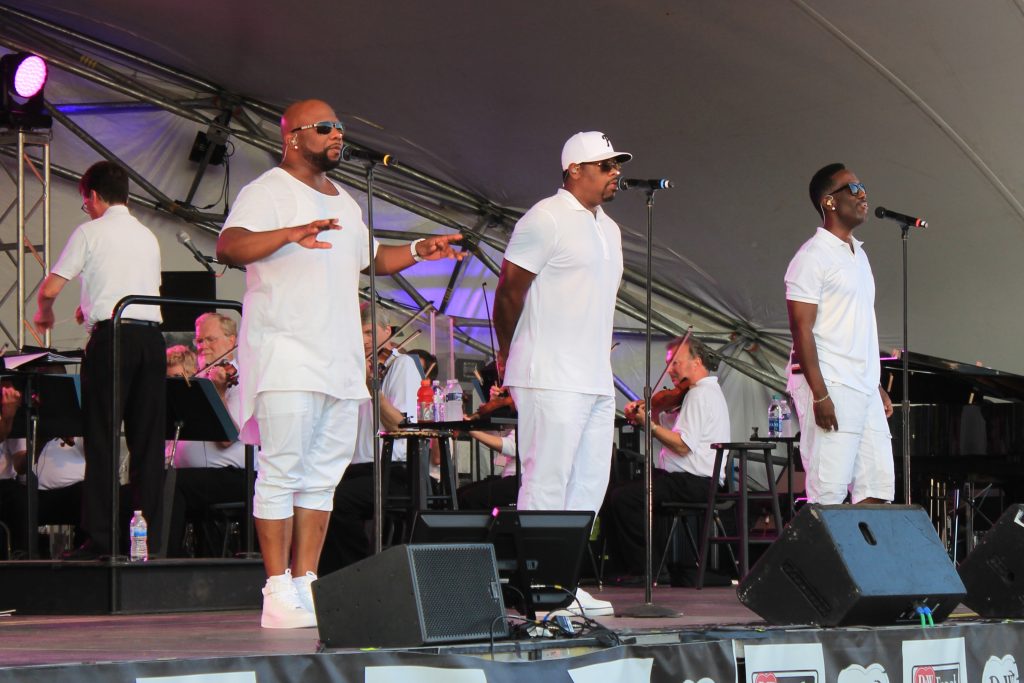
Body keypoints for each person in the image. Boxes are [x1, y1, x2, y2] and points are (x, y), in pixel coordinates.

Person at [215, 99, 462, 629]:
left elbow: (372, 258)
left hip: (340, 360)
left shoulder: (346, 201)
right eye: (324, 128)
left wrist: (422, 248)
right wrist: (288, 233)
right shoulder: (267, 191)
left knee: (323, 478)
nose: (336, 135)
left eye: (339, 128)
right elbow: (229, 246)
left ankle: (307, 582)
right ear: (293, 137)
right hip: (286, 354)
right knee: (281, 472)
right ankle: (276, 588)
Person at [493, 131, 630, 617]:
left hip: (595, 374)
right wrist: (510, 356)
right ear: (575, 169)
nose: (615, 172)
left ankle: (564, 582)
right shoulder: (545, 217)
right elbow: (509, 291)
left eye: (617, 165)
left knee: (589, 483)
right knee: (546, 480)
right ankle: (540, 589)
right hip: (548, 371)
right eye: (605, 165)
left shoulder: (608, 229)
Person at [35, 160, 165, 560]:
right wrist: (90, 306)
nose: (86, 209)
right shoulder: (147, 236)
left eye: (84, 202)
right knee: (147, 443)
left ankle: (103, 541)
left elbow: (51, 287)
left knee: (103, 438)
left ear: (92, 196)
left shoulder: (90, 231)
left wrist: (45, 312)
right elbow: (131, 286)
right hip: (150, 339)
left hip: (114, 340)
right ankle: (150, 542)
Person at [785, 163, 894, 505]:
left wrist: (875, 384)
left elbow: (856, 327)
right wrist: (819, 395)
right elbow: (801, 328)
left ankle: (864, 560)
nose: (864, 194)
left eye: (863, 187)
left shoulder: (859, 255)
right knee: (828, 492)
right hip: (830, 382)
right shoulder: (811, 257)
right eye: (854, 188)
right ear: (829, 202)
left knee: (877, 488)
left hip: (861, 385)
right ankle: (824, 559)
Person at [608, 336, 730, 576]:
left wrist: (650, 426)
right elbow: (672, 434)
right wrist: (646, 417)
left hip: (693, 481)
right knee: (621, 492)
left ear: (696, 362)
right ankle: (637, 569)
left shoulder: (699, 394)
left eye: (675, 363)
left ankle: (646, 571)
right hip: (686, 480)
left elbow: (683, 446)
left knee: (625, 498)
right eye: (669, 364)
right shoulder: (696, 394)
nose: (671, 370)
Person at [319, 304, 422, 575]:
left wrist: (371, 385)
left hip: (392, 470)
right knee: (314, 496)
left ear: (387, 332)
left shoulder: (401, 365)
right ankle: (321, 578)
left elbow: (399, 425)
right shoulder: (352, 367)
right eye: (358, 333)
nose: (363, 340)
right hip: (352, 468)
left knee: (339, 502)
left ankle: (354, 573)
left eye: (368, 332)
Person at [165, 314, 249, 557]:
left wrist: (220, 394)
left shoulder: (242, 381)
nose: (203, 346)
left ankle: (166, 558)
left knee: (173, 486)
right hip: (199, 476)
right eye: (200, 341)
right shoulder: (199, 379)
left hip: (234, 476)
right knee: (152, 482)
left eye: (210, 339)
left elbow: (226, 439)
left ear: (232, 340)